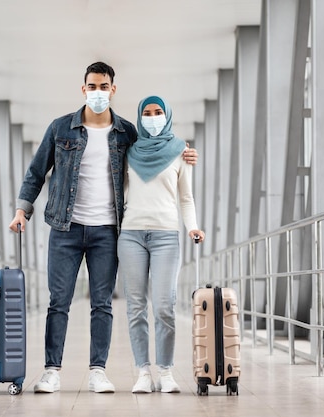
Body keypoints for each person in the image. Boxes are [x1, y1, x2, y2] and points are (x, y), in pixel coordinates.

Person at [8, 62, 197, 394]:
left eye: (104, 87)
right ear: (84, 89)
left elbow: (155, 151)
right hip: (65, 228)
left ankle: (98, 370)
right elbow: (36, 172)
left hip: (108, 230)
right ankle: (52, 370)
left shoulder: (126, 133)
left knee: (102, 304)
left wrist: (185, 153)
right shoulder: (60, 128)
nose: (98, 93)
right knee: (59, 301)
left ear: (113, 89)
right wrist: (23, 210)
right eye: (92, 87)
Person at [117, 95, 205, 394]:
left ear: (167, 116)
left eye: (158, 112)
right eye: (147, 112)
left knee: (165, 306)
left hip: (166, 235)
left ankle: (165, 372)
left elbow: (186, 197)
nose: (152, 117)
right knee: (136, 307)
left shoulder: (181, 152)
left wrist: (192, 226)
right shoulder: (128, 153)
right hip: (131, 235)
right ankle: (143, 372)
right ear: (139, 118)